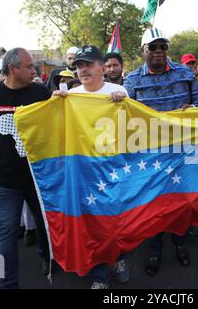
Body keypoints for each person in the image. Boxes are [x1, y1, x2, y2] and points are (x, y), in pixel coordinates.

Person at [124, 28, 198, 276]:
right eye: (153, 47)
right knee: (155, 203)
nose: (159, 51)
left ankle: (180, 243)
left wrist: (193, 108)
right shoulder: (132, 80)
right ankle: (155, 248)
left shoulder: (184, 72)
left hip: (184, 149)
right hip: (151, 153)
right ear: (143, 50)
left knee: (182, 201)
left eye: (163, 47)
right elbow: (124, 117)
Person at [0, 48, 52, 288]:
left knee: (47, 227)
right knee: (5, 235)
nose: (34, 71)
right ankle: (6, 282)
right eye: (29, 66)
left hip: (39, 179)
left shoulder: (41, 93)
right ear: (13, 68)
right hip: (5, 182)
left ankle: (48, 259)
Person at [54, 45, 130, 289]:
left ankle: (119, 258)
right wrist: (53, 105)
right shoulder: (71, 95)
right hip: (84, 171)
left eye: (88, 64)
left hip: (114, 169)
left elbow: (133, 127)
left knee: (115, 222)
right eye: (79, 65)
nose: (83, 69)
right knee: (92, 223)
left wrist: (123, 104)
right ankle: (99, 275)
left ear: (101, 67)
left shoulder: (118, 90)